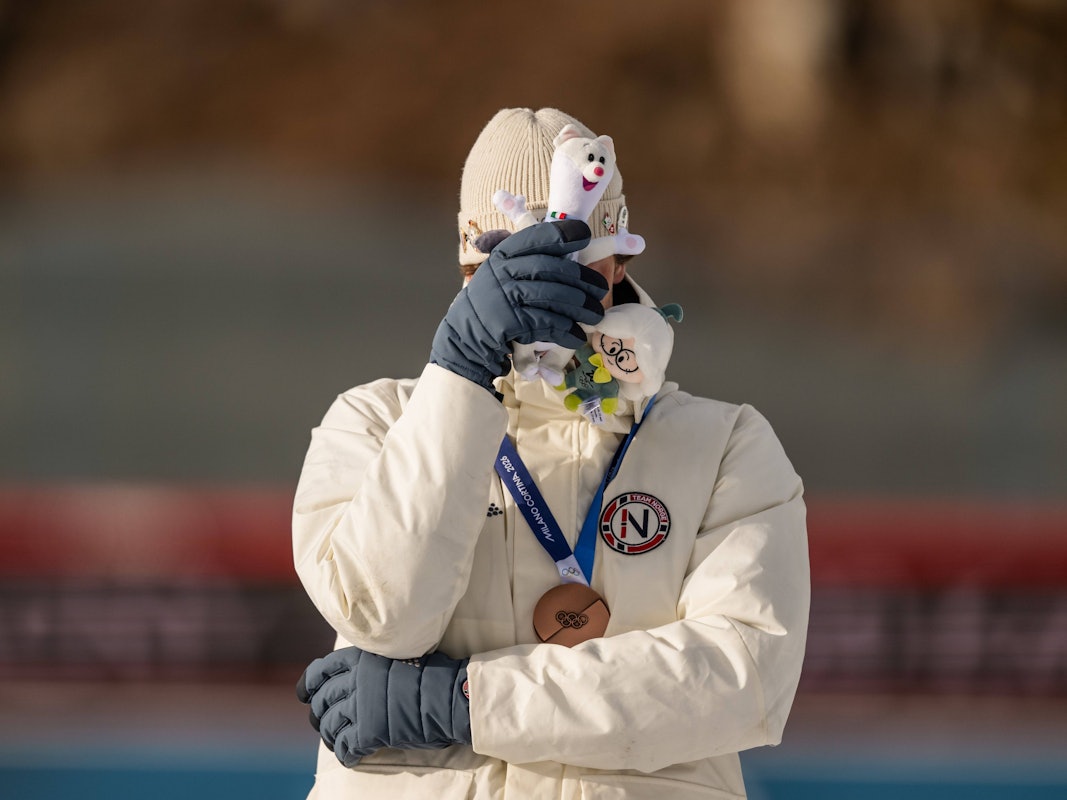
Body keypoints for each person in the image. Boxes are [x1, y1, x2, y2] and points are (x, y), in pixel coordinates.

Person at [292, 107, 809, 799]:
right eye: (508, 263)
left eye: (566, 262)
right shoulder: (376, 422)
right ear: (466, 268)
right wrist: (462, 375)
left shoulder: (725, 446)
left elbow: (741, 678)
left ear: (618, 259)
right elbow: (383, 614)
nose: (539, 291)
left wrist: (467, 703)